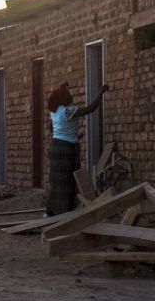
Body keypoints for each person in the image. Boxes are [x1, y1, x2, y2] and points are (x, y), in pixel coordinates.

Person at [47, 83, 110, 216]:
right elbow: (90, 109)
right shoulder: (68, 111)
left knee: (57, 181)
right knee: (69, 181)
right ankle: (67, 212)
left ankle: (51, 212)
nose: (71, 98)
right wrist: (101, 92)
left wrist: (73, 134)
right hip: (67, 150)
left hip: (55, 147)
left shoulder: (54, 111)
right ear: (65, 98)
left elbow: (53, 129)